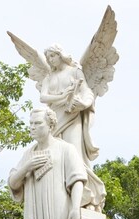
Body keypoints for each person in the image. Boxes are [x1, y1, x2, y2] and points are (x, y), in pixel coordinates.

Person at [36, 45, 106, 209]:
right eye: (49, 57)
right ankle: (65, 197)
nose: (51, 60)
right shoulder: (49, 77)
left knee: (75, 156)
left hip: (72, 117)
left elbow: (86, 92)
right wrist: (62, 96)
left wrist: (83, 103)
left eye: (53, 56)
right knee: (58, 159)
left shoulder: (75, 71)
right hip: (54, 120)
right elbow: (43, 97)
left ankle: (88, 197)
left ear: (60, 55)